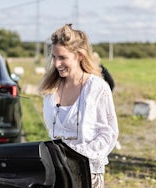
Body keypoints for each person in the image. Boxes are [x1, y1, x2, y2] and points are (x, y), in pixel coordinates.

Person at [39, 24, 119, 188]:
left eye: (62, 58)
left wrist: (76, 156)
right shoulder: (50, 89)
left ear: (80, 56)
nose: (56, 63)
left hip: (87, 173)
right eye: (54, 57)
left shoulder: (97, 88)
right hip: (57, 172)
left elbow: (108, 133)